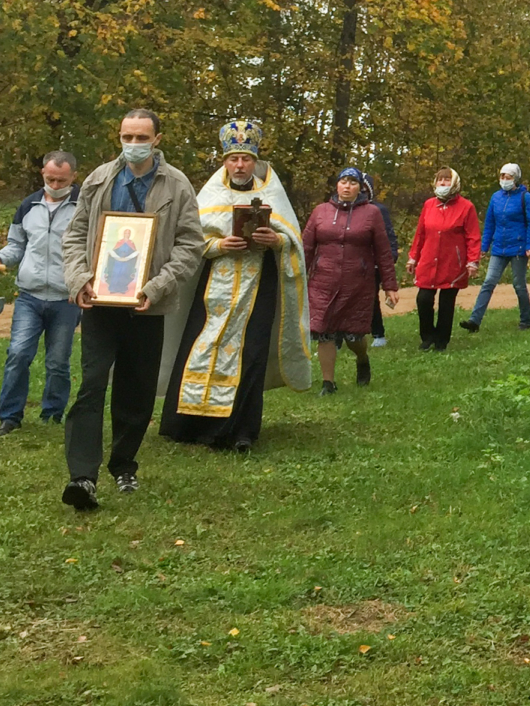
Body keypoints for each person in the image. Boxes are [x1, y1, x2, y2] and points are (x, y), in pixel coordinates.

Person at [59, 109, 204, 510]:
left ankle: (124, 464)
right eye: (127, 135)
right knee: (91, 385)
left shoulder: (176, 185)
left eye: (141, 136)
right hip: (99, 303)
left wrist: (157, 287)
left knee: (136, 391)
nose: (133, 143)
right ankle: (82, 477)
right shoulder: (99, 179)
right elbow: (74, 235)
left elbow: (191, 245)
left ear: (157, 139)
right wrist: (79, 279)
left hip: (148, 306)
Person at [158, 120, 312, 451]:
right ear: (224, 160)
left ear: (255, 160)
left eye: (245, 159)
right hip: (214, 288)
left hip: (258, 287)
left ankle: (241, 430)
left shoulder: (272, 193)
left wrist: (276, 240)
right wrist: (218, 247)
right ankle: (189, 424)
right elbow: (188, 240)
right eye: (233, 159)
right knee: (201, 349)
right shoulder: (210, 194)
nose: (239, 165)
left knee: (250, 353)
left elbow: (294, 242)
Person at [0, 151, 81, 436]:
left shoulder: (84, 207)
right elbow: (16, 245)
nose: (56, 184)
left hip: (67, 298)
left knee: (58, 361)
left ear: (73, 177)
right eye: (50, 179)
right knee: (18, 354)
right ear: (42, 174)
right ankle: (9, 417)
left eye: (62, 180)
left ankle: (53, 415)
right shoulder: (28, 206)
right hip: (30, 296)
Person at [301, 167, 398, 392]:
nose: (347, 186)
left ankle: (362, 358)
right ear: (336, 185)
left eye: (352, 183)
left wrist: (389, 285)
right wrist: (297, 278)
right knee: (323, 330)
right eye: (343, 182)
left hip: (358, 282)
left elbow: (383, 251)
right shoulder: (320, 212)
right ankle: (328, 382)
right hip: (323, 281)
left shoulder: (372, 213)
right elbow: (306, 247)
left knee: (353, 336)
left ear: (360, 188)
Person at [408, 167, 481, 350]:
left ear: (455, 183)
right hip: (428, 259)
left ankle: (442, 340)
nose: (442, 183)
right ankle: (427, 336)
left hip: (452, 262)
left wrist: (473, 261)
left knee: (446, 303)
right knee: (423, 299)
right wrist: (413, 257)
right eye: (440, 180)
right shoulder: (429, 205)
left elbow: (473, 236)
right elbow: (421, 233)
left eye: (447, 180)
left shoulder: (466, 207)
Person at [462, 162, 530, 333]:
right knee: (488, 282)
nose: (504, 179)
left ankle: (526, 319)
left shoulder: (526, 198)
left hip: (518, 247)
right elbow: (490, 222)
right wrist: (484, 246)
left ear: (516, 179)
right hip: (499, 247)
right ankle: (474, 320)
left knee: (518, 285)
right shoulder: (496, 197)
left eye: (508, 177)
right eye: (502, 176)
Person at [363, 174, 399, 348]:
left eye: (364, 189)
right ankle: (338, 338)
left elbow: (388, 235)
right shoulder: (343, 210)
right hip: (349, 262)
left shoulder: (378, 210)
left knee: (370, 298)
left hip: (373, 262)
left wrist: (390, 256)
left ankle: (378, 333)